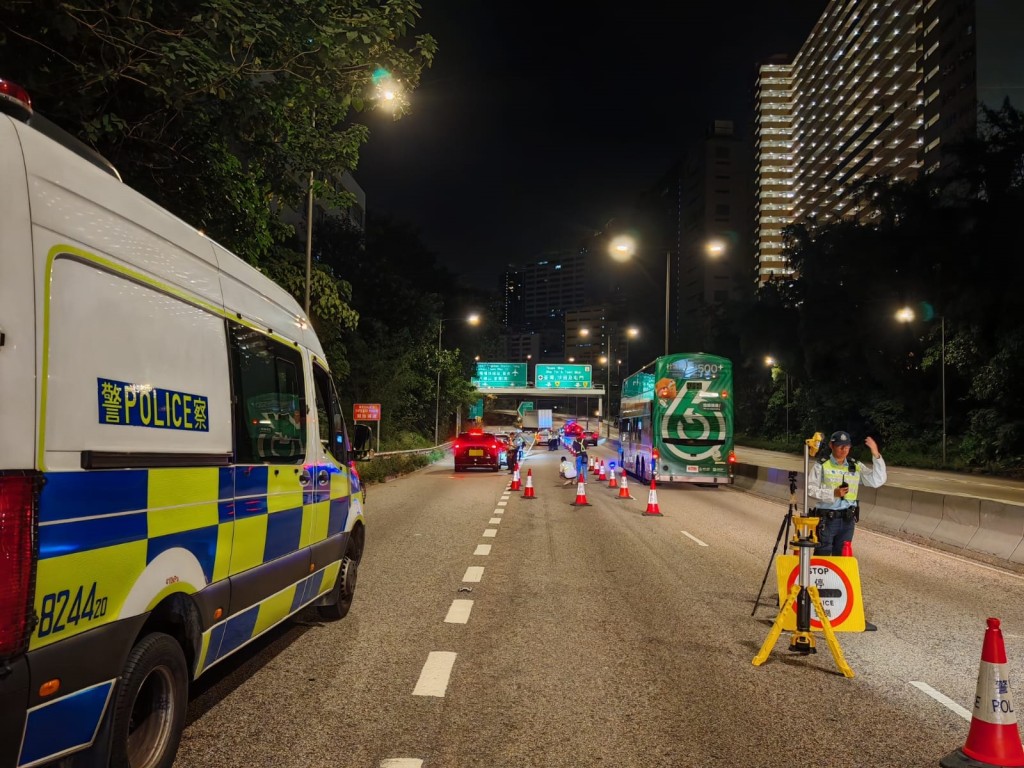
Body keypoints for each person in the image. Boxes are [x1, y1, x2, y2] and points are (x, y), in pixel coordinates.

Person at [808, 430, 887, 556]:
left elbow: (877, 481)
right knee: (823, 557)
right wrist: (833, 493)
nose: (844, 450)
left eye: (847, 446)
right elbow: (810, 489)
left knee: (842, 560)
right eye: (841, 446)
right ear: (831, 445)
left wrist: (876, 455)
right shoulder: (822, 465)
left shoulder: (855, 465)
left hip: (847, 520)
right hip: (827, 520)